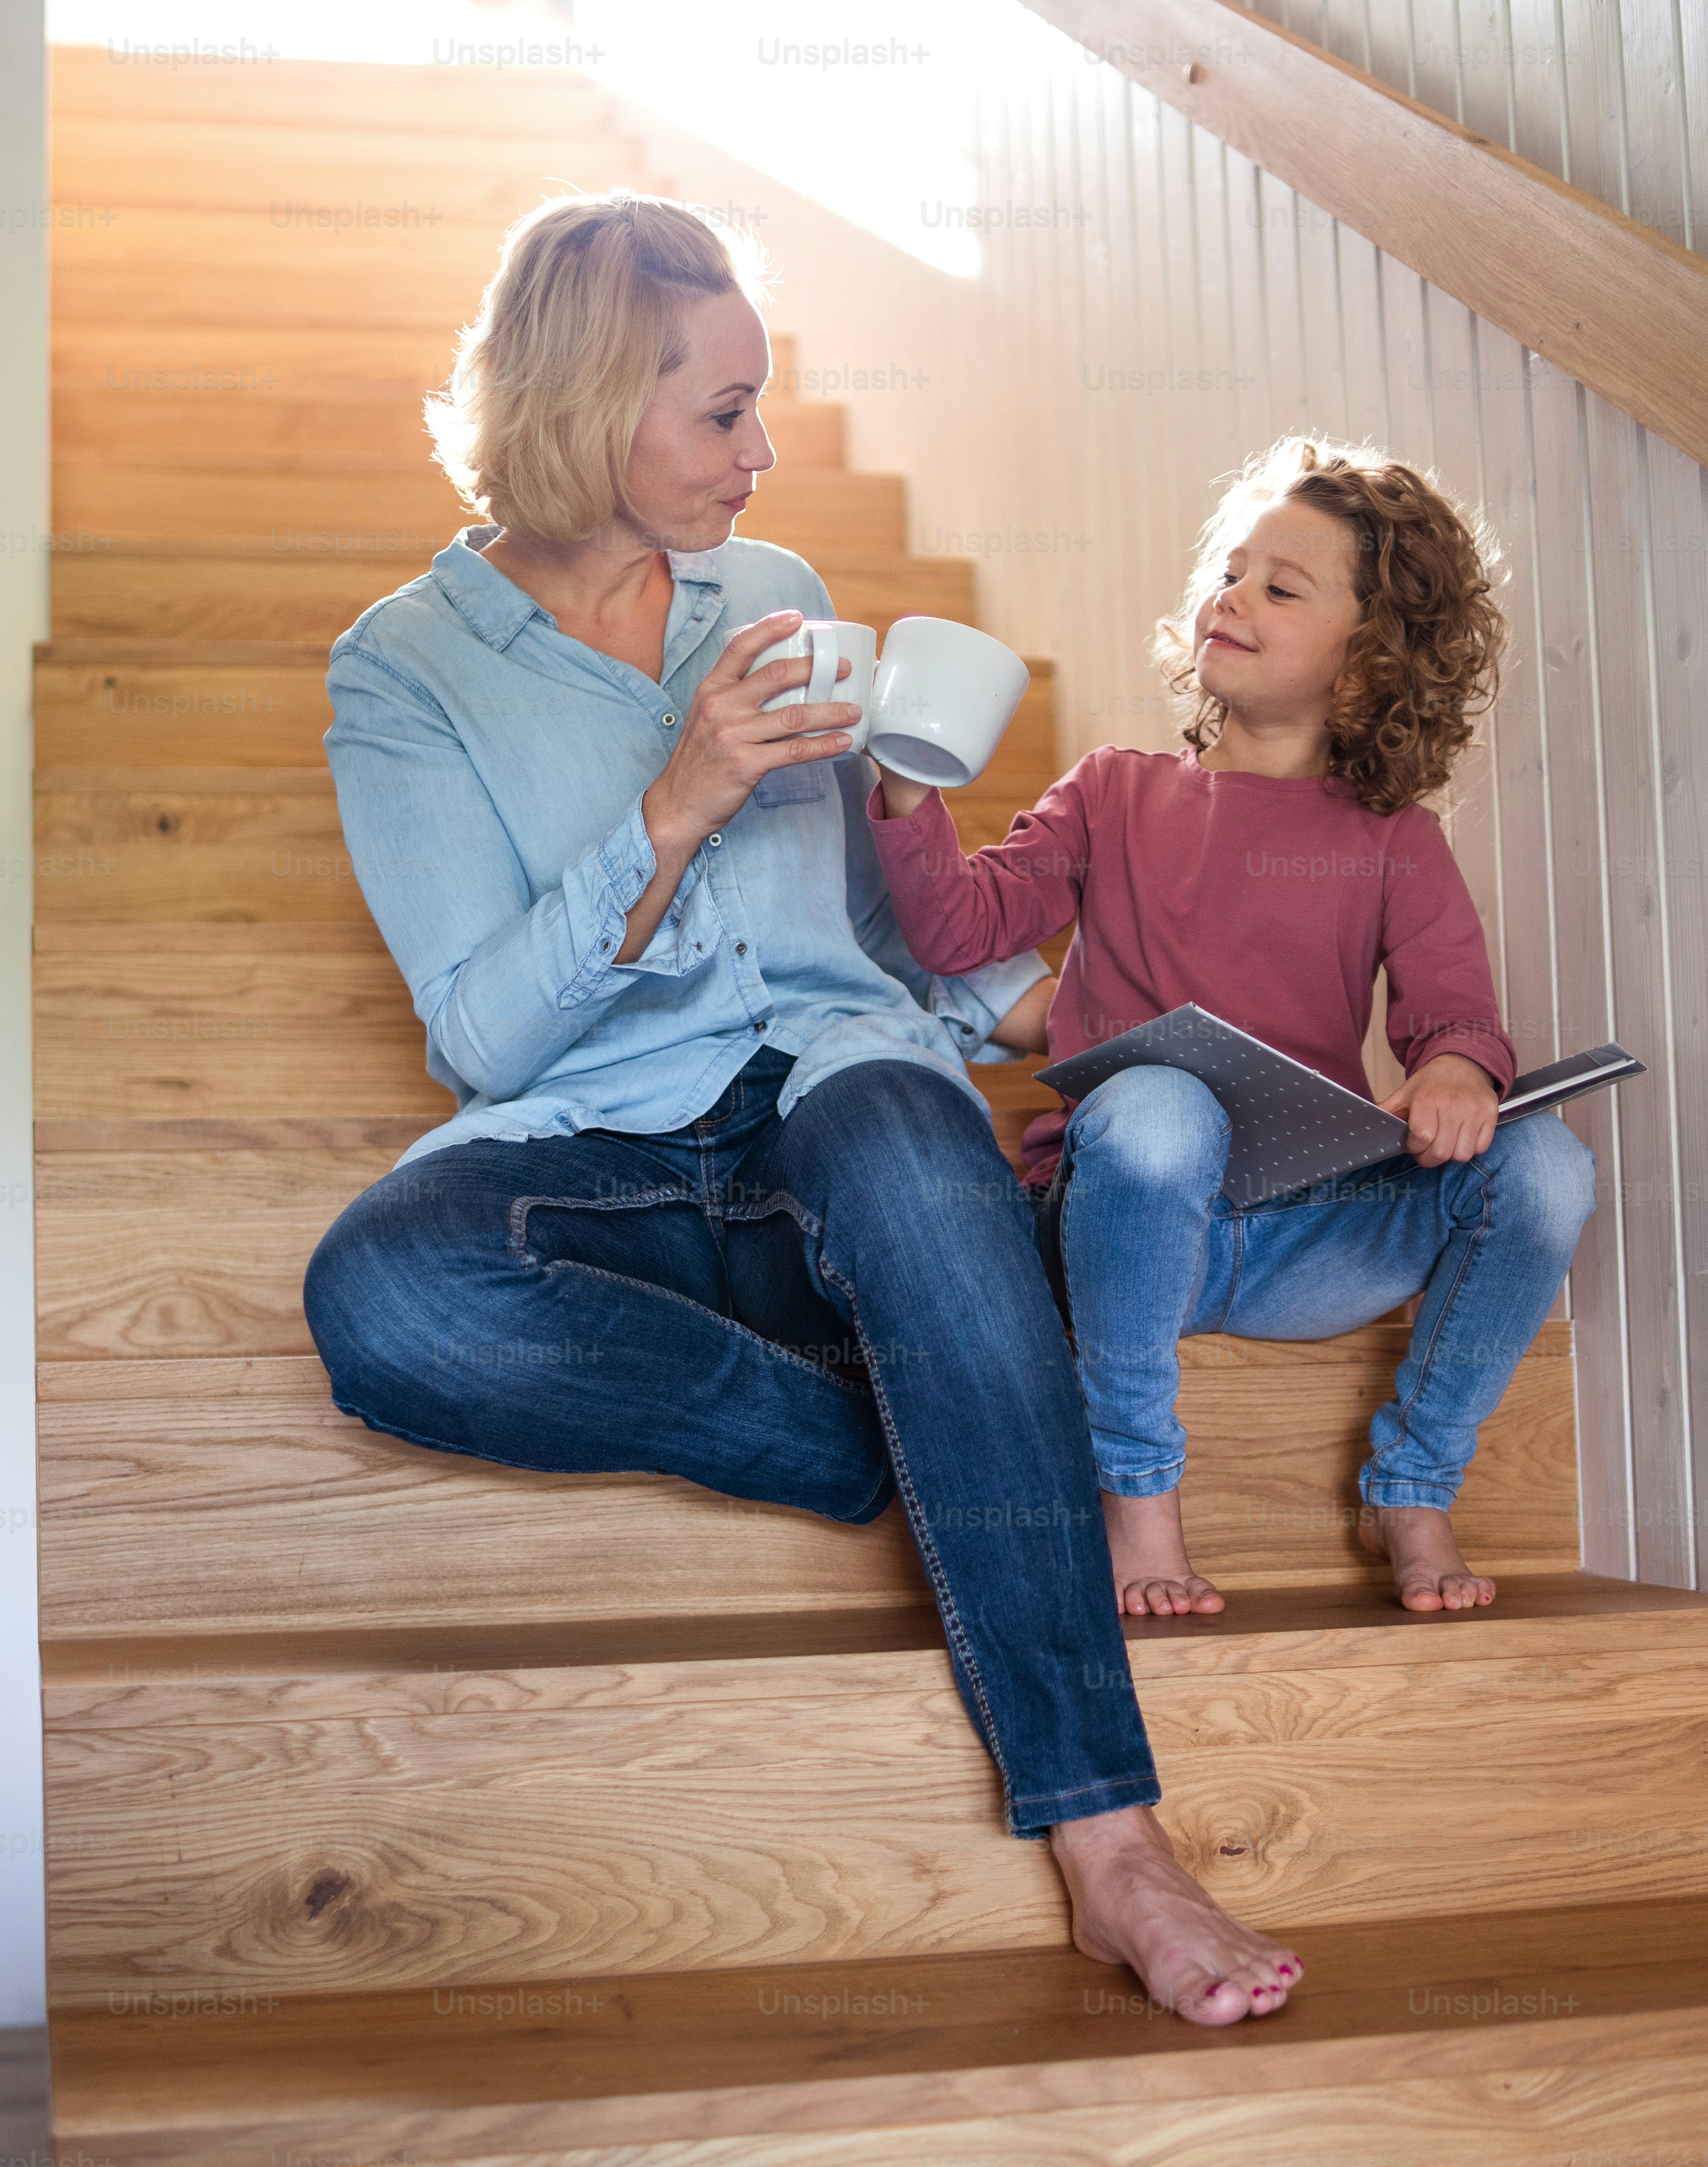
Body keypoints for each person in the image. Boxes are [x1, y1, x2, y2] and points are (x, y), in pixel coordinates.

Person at [301, 191, 1300, 2025]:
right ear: (594, 405)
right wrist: (674, 797)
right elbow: (482, 1042)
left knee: (917, 1162)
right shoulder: (402, 670)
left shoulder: (773, 599)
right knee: (385, 1295)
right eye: (723, 413)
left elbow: (857, 946)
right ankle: (901, 1438)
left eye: (762, 409)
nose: (762, 457)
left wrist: (1051, 1004)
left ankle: (1111, 1842)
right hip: (601, 1144)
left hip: (842, 1099)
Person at [863, 437, 1599, 1619]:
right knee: (1159, 1105)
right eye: (1231, 570)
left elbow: (1454, 1013)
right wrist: (906, 782)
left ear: (1368, 662)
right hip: (1125, 1220)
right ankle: (1138, 1497)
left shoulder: (1393, 840)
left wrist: (1458, 1070)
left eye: (1281, 585)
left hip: (1299, 1237)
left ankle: (1413, 1482)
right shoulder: (1113, 791)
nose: (1233, 596)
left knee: (1550, 1168)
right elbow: (961, 928)